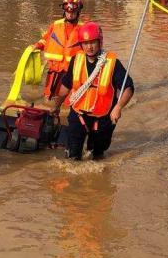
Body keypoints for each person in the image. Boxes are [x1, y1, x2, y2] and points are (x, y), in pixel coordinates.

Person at [50, 21, 134, 161]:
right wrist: (56, 106)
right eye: (85, 43)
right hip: (78, 115)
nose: (89, 47)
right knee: (73, 157)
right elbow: (66, 86)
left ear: (99, 42)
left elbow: (128, 87)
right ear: (81, 44)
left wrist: (118, 107)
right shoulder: (76, 60)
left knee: (98, 156)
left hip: (103, 119)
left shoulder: (112, 63)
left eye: (93, 42)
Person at [31, 0, 85, 100]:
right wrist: (37, 45)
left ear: (78, 12)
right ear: (64, 11)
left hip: (73, 72)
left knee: (69, 101)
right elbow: (46, 39)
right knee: (48, 98)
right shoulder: (55, 25)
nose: (70, 14)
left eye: (73, 12)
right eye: (68, 11)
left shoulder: (84, 29)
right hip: (54, 70)